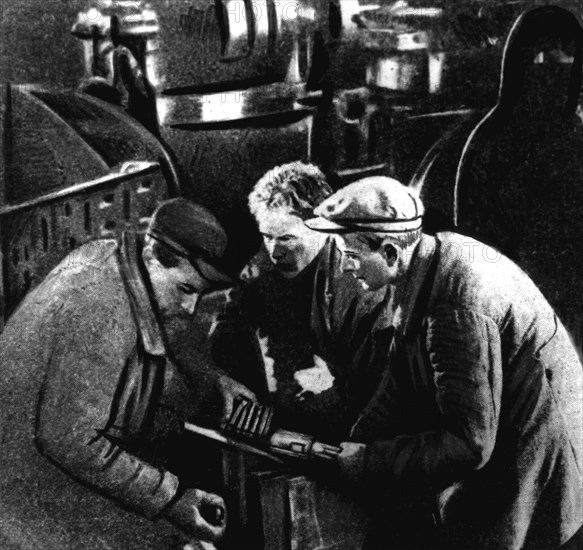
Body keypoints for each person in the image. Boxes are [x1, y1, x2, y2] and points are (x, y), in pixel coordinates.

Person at [306, 177, 583, 550]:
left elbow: (469, 445)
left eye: (351, 256)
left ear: (389, 252)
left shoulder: (456, 305)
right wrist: (353, 442)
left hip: (539, 459)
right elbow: (399, 379)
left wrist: (367, 461)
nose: (346, 267)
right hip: (506, 435)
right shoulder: (427, 261)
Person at [0, 198, 255, 550]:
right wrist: (172, 498)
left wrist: (213, 382)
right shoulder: (96, 299)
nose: (189, 307)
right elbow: (72, 441)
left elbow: (150, 336)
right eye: (186, 289)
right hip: (26, 501)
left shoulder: (113, 259)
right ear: (152, 256)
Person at [211, 162, 386, 440]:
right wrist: (220, 378)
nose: (274, 252)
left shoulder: (363, 274)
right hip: (286, 415)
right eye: (267, 237)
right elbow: (224, 332)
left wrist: (337, 389)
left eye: (287, 238)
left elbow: (389, 373)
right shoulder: (261, 269)